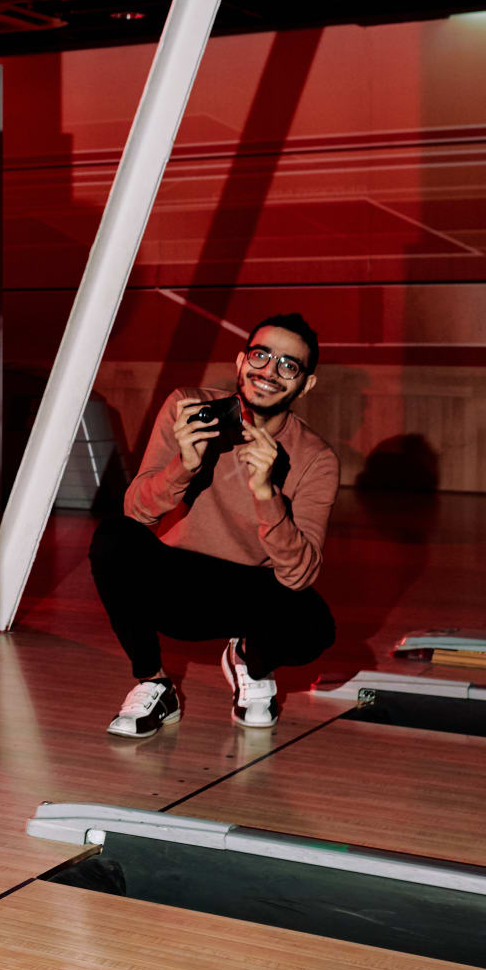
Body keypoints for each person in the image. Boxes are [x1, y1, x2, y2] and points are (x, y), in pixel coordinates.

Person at [90, 313, 340, 738]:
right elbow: (136, 512)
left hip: (251, 591)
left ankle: (249, 659)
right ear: (241, 361)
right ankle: (153, 681)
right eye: (261, 356)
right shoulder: (188, 407)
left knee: (313, 626)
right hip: (177, 578)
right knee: (114, 539)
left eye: (288, 364)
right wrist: (181, 468)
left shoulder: (316, 458)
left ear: (306, 383)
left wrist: (266, 493)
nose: (269, 371)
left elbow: (300, 574)